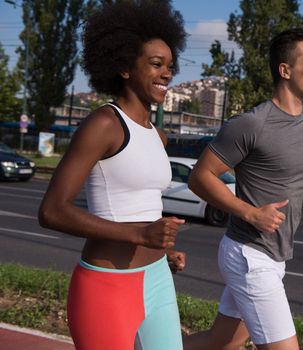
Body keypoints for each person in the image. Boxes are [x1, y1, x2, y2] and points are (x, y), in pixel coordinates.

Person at [185, 25, 303, 350]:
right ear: (285, 70)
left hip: (276, 258)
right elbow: (199, 177)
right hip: (249, 254)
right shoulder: (251, 124)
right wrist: (250, 212)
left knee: (219, 342)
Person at [38, 1, 187, 349]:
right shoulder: (104, 124)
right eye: (155, 64)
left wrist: (160, 248)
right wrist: (139, 233)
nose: (166, 73)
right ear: (123, 66)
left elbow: (137, 202)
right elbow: (51, 210)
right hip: (106, 287)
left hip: (158, 279)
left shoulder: (156, 134)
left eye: (169, 66)